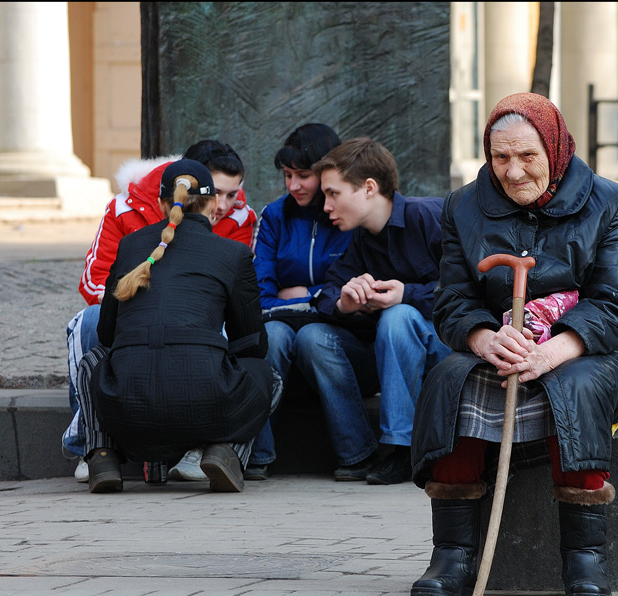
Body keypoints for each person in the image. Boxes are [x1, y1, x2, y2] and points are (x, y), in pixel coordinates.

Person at [409, 93, 618, 596]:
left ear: (555, 148)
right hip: (501, 343)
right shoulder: (462, 206)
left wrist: (551, 351)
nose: (514, 172)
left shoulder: (606, 200)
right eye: (501, 157)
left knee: (574, 385)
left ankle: (585, 558)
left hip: (595, 348)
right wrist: (485, 339)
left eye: (527, 156)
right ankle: (451, 555)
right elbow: (452, 300)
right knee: (451, 379)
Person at [77, 159, 278, 493]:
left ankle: (102, 455)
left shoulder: (130, 247)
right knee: (268, 374)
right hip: (207, 407)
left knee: (91, 361)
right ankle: (224, 451)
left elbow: (106, 334)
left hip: (128, 411)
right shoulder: (233, 253)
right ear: (214, 204)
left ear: (160, 204)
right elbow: (252, 342)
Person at [297, 137, 451, 485]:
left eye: (334, 194)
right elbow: (329, 291)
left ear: (369, 188)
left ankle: (403, 449)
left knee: (398, 317)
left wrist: (406, 295)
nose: (326, 207)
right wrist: (344, 303)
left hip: (446, 355)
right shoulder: (362, 238)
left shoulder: (427, 216)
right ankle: (358, 453)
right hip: (388, 360)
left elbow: (469, 288)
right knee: (312, 337)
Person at [244, 123, 351, 480]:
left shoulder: (347, 216)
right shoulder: (275, 216)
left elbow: (349, 290)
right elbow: (261, 292)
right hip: (281, 327)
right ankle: (257, 455)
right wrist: (319, 294)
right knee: (272, 336)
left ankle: (356, 455)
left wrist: (303, 295)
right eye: (288, 175)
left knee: (311, 337)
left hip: (338, 333)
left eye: (303, 175)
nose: (293, 186)